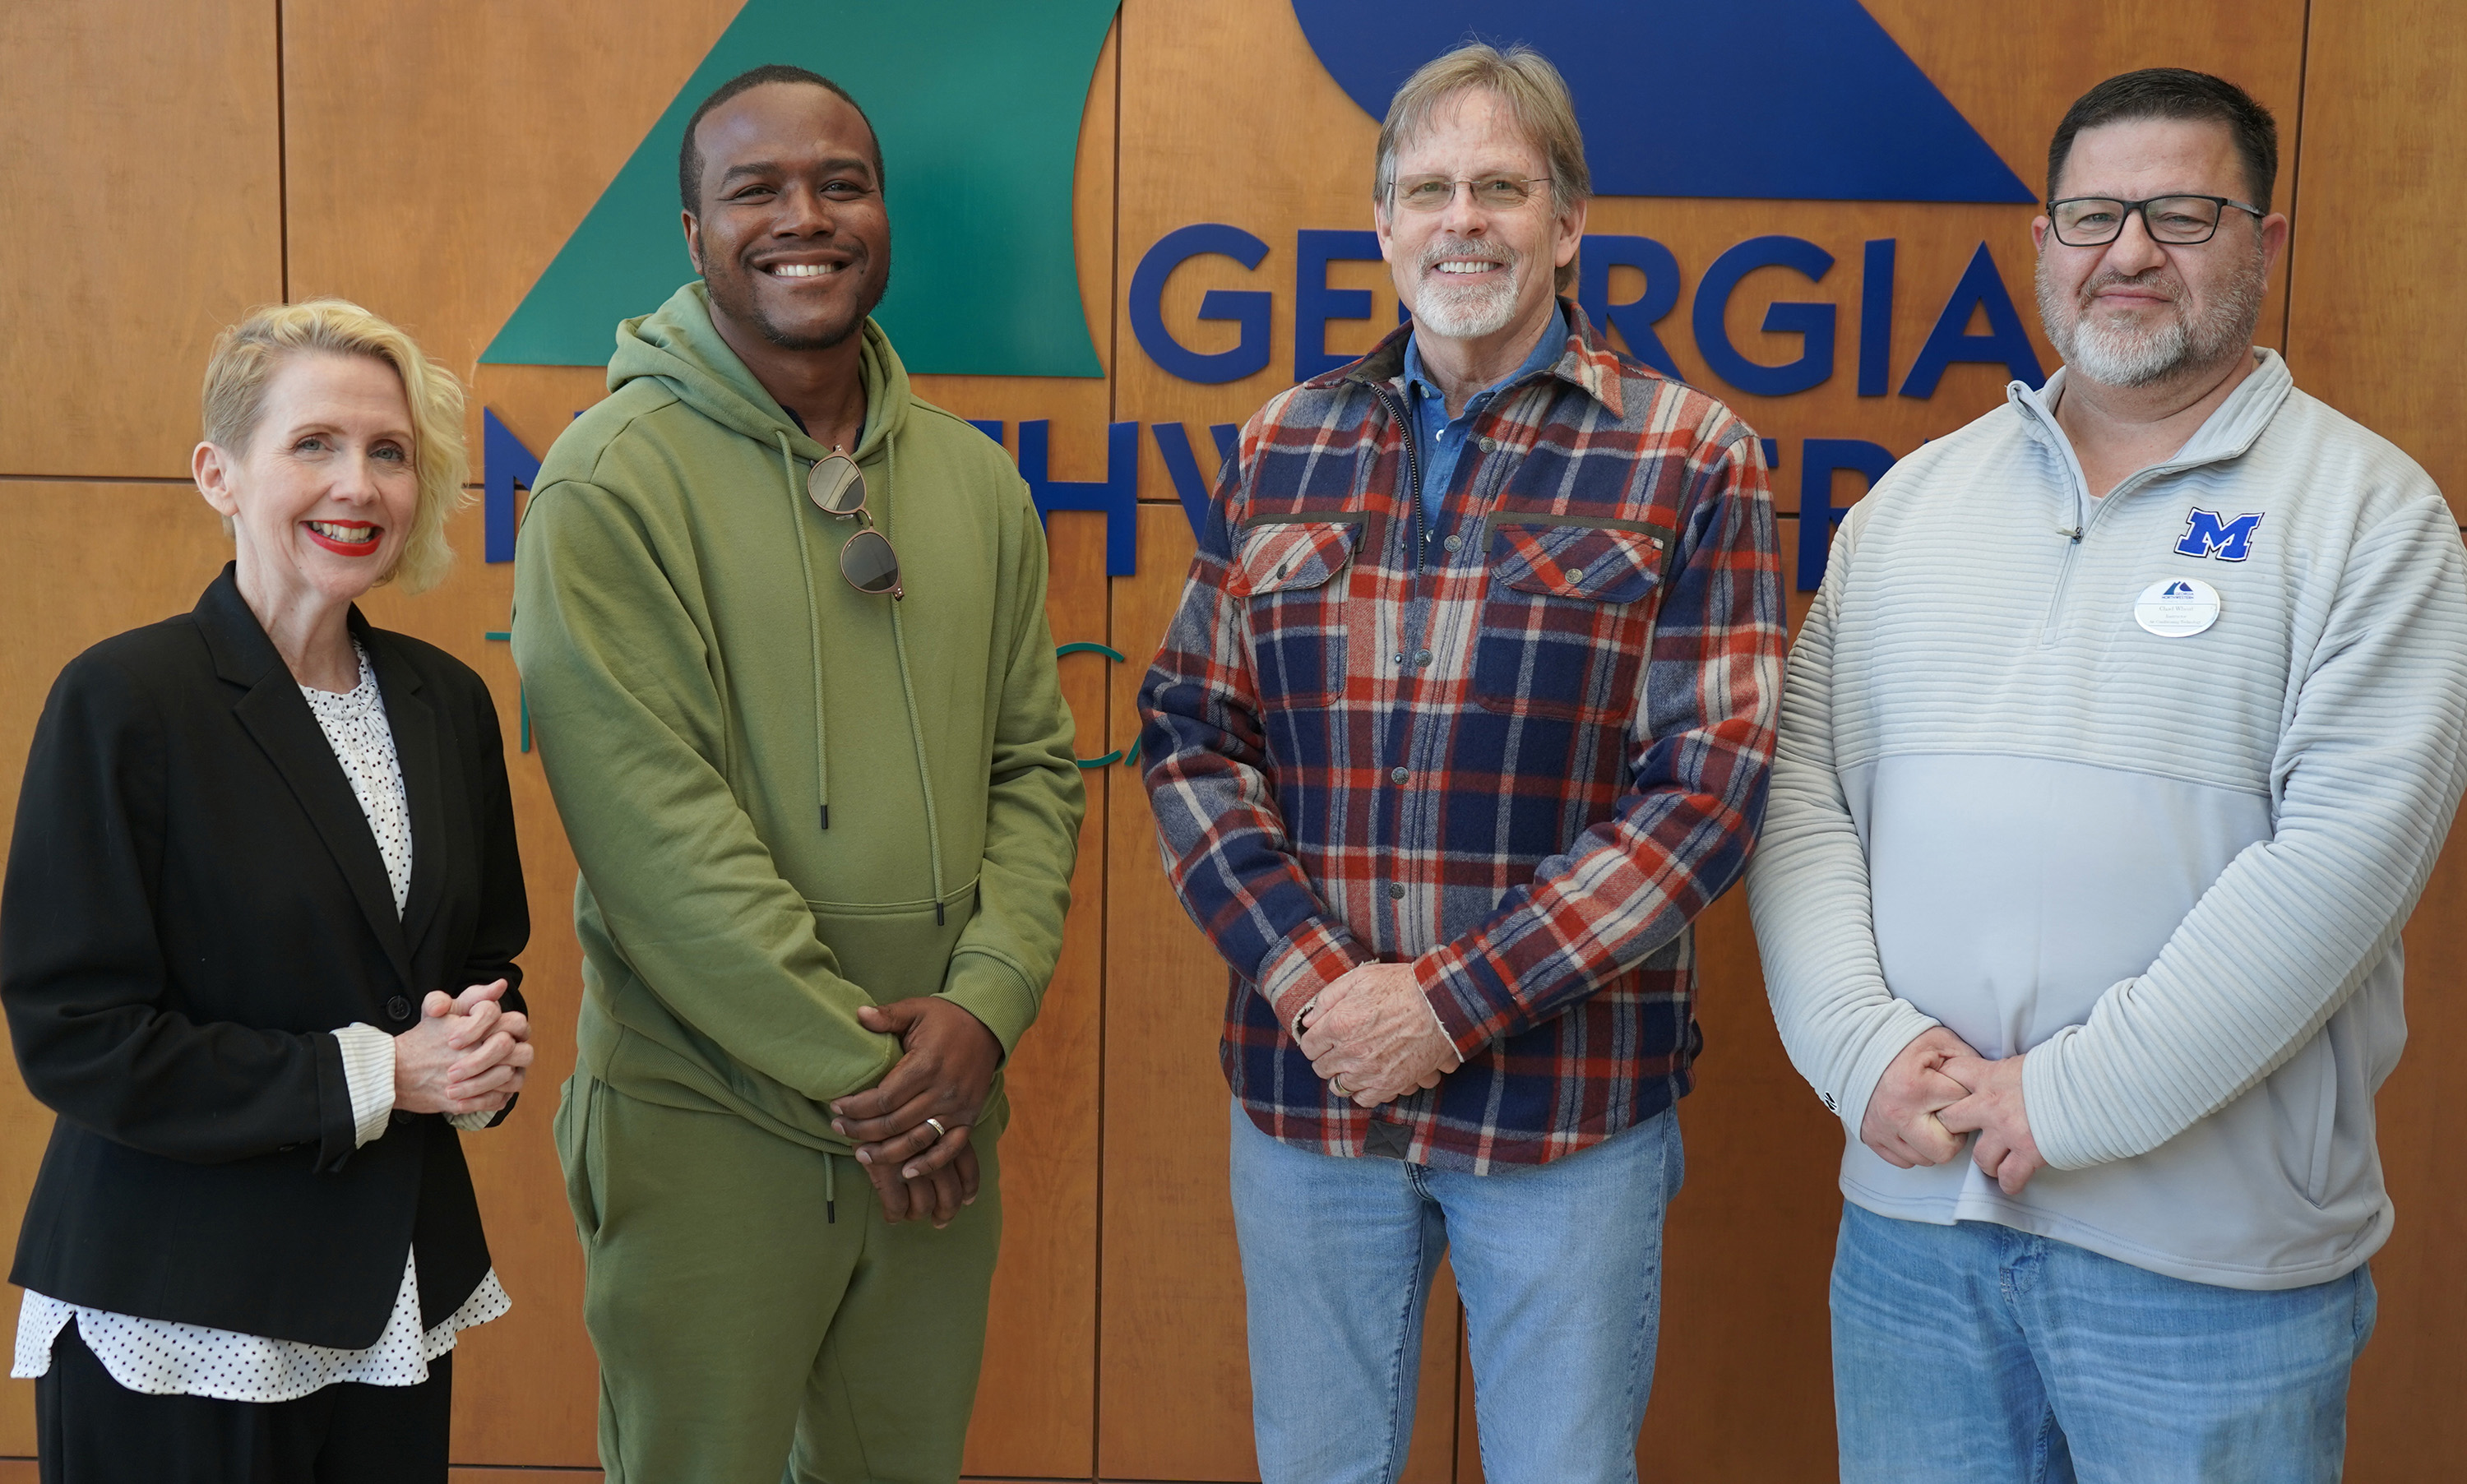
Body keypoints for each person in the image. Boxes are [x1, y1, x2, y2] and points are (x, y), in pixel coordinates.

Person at [1747, 67, 2467, 1483]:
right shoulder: (1908, 507)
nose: (2128, 250)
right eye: (2091, 213)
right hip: (1916, 1230)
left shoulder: (2373, 517)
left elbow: (2337, 870)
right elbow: (1799, 797)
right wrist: (1860, 1047)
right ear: (2041, 242)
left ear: (2265, 240)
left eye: (2181, 212)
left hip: (2207, 1275)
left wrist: (2062, 1101)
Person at [1138, 42, 1782, 1484]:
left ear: (1567, 223)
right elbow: (1191, 738)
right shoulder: (1280, 443)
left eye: (1502, 185)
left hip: (1565, 1113)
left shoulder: (1690, 456)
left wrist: (1447, 1002)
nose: (1462, 219)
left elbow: (1708, 789)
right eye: (1426, 189)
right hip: (1311, 1102)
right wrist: (1319, 985)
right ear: (1381, 229)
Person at [511, 63, 1085, 1484]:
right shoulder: (606, 482)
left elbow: (1035, 770)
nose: (803, 216)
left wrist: (981, 1013)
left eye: (839, 182)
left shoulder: (974, 484)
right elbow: (659, 842)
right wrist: (878, 1081)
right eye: (754, 190)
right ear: (695, 237)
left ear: (882, 215)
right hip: (715, 1125)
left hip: (940, 1109)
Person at [1, 298, 535, 1482]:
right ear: (219, 473)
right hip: (180, 1312)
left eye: (389, 452)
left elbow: (485, 962)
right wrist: (383, 1071)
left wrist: (486, 1055)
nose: (360, 484)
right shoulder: (124, 699)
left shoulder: (448, 703)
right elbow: (77, 1037)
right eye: (316, 445)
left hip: (390, 1296)